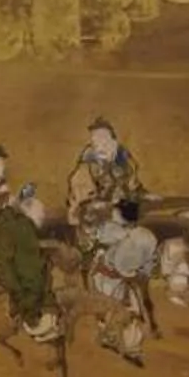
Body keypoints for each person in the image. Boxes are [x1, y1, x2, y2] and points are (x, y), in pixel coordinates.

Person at [0, 185, 63, 340]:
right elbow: (6, 266)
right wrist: (19, 290)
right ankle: (36, 324)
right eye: (39, 218)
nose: (40, 221)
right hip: (24, 285)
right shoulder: (17, 228)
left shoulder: (16, 226)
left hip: (27, 278)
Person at [88, 198, 160, 362]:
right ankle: (112, 339)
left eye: (116, 211)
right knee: (110, 311)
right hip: (110, 276)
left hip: (112, 277)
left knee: (127, 311)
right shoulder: (144, 235)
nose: (113, 213)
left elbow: (124, 267)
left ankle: (131, 348)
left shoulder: (131, 237)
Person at [65, 120, 145, 230]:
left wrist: (141, 196)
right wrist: (109, 209)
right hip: (94, 224)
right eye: (96, 141)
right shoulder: (86, 168)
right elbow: (82, 203)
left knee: (144, 239)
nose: (100, 146)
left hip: (124, 220)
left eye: (104, 140)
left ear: (113, 142)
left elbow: (133, 188)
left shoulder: (124, 162)